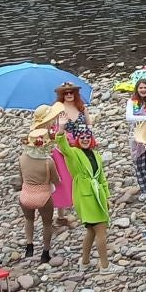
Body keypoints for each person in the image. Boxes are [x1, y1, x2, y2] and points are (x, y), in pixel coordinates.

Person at [56, 122, 112, 270]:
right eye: (82, 137)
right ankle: (105, 267)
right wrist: (61, 129)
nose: (85, 139)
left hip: (97, 195)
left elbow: (102, 178)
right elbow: (63, 146)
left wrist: (107, 197)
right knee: (100, 229)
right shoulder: (74, 153)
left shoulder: (96, 155)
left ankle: (85, 263)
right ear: (77, 139)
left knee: (91, 230)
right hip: (85, 195)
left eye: (88, 136)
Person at [19, 127, 58, 263]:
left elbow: (21, 179)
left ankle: (29, 246)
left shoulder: (22, 158)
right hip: (43, 196)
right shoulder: (48, 162)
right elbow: (55, 180)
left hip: (26, 194)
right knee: (47, 224)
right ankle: (45, 252)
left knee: (29, 220)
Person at [51, 83, 87, 224]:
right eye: (66, 93)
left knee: (82, 176)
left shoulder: (82, 109)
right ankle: (61, 213)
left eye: (71, 92)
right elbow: (54, 130)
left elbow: (89, 126)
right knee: (63, 179)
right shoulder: (58, 111)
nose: (69, 95)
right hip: (63, 149)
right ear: (62, 95)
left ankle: (84, 207)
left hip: (82, 146)